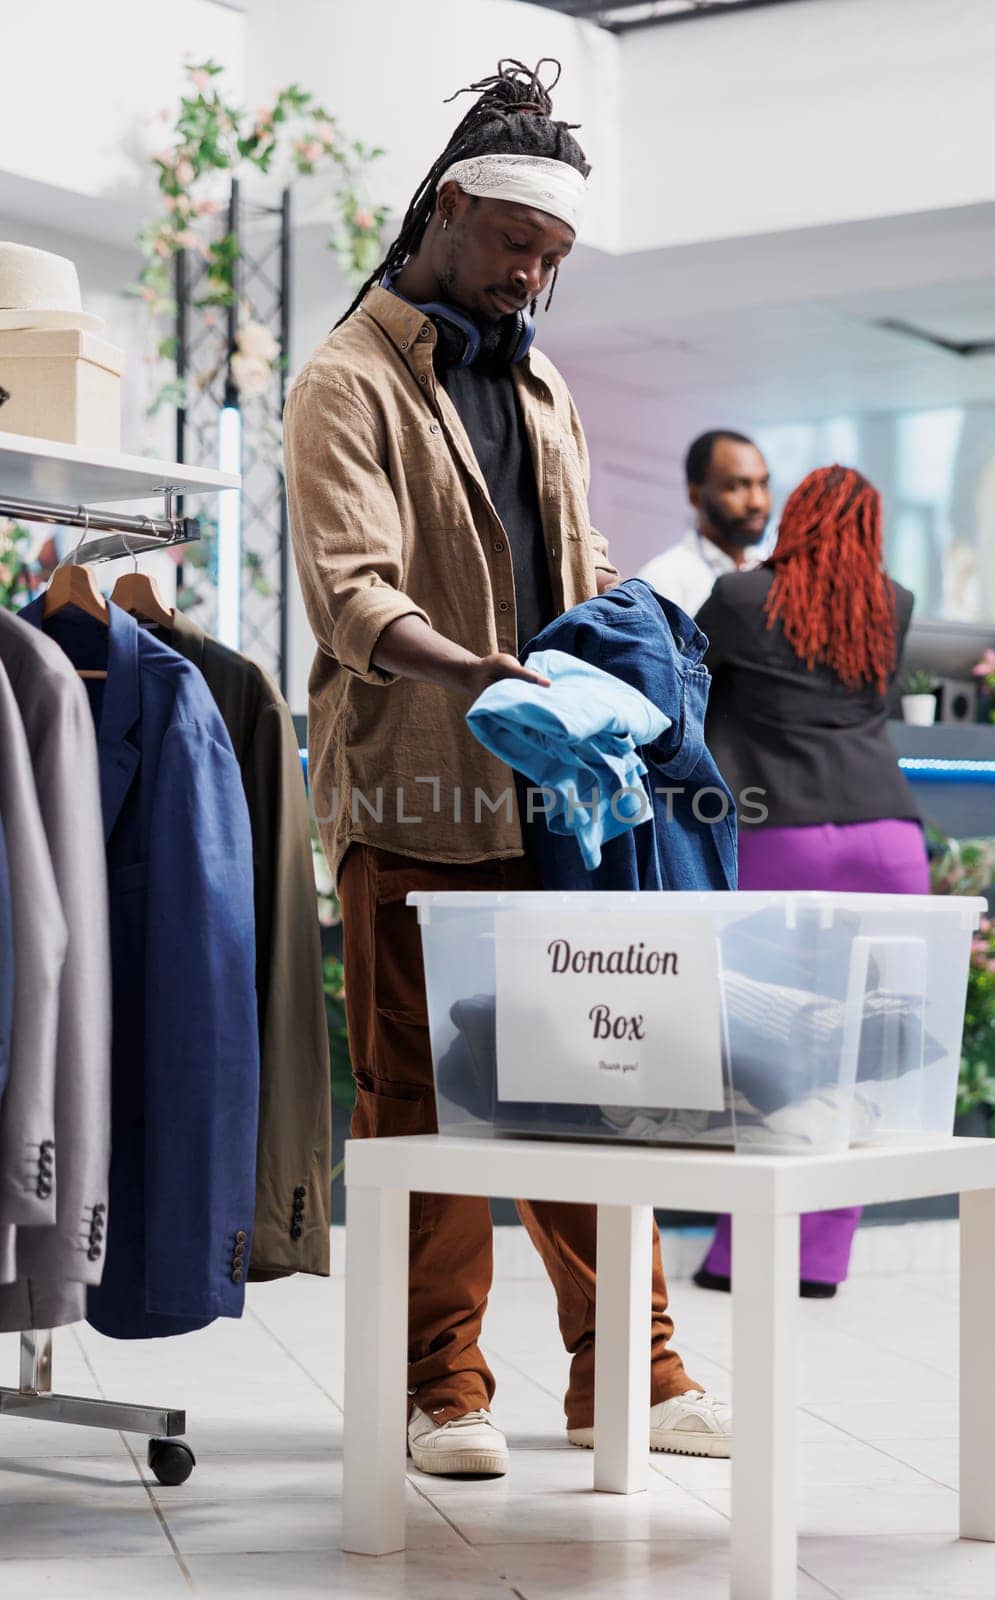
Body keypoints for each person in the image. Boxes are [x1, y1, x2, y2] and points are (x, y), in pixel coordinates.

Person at [283, 59, 729, 1480]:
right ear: (452, 208)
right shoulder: (343, 378)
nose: (532, 282)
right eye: (516, 249)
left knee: (588, 1085)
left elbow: (581, 564)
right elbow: (348, 595)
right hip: (410, 788)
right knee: (416, 1102)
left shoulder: (535, 381)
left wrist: (622, 662)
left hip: (553, 799)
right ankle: (443, 1388)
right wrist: (470, 669)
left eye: (554, 261)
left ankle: (630, 1374)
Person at [693, 464, 928, 1296]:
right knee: (864, 1055)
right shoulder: (891, 604)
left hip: (780, 834)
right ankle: (822, 1263)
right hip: (887, 839)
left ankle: (739, 1255)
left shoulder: (737, 599)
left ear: (794, 517)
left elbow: (685, 685)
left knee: (761, 1047)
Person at [636, 430, 772, 616]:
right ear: (695, 496)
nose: (757, 502)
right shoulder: (661, 582)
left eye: (763, 485)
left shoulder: (770, 572)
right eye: (736, 487)